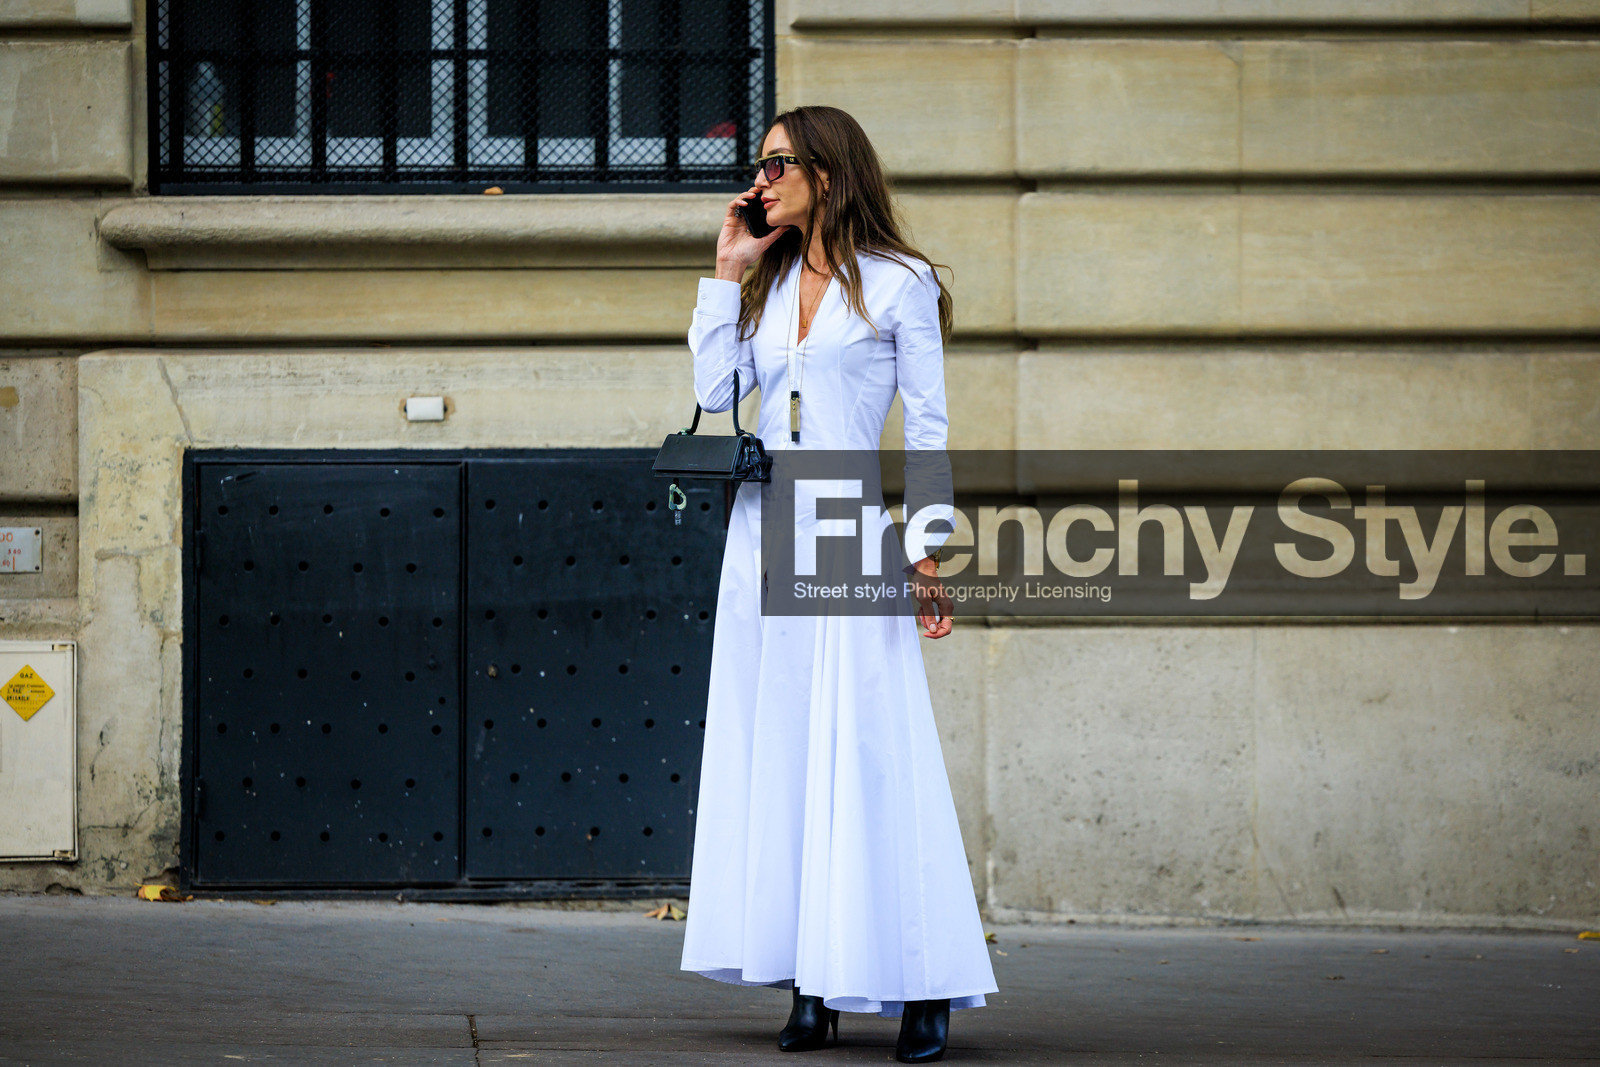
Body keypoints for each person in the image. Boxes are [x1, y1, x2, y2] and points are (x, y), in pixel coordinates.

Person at [677, 105, 997, 1063]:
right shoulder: (766, 281)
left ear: (829, 170)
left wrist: (926, 548)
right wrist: (724, 272)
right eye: (758, 165)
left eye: (778, 164)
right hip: (761, 528)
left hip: (849, 525)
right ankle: (810, 980)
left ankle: (925, 980)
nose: (761, 181)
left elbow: (930, 430)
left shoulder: (901, 285)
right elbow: (719, 395)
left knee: (871, 748)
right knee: (779, 752)